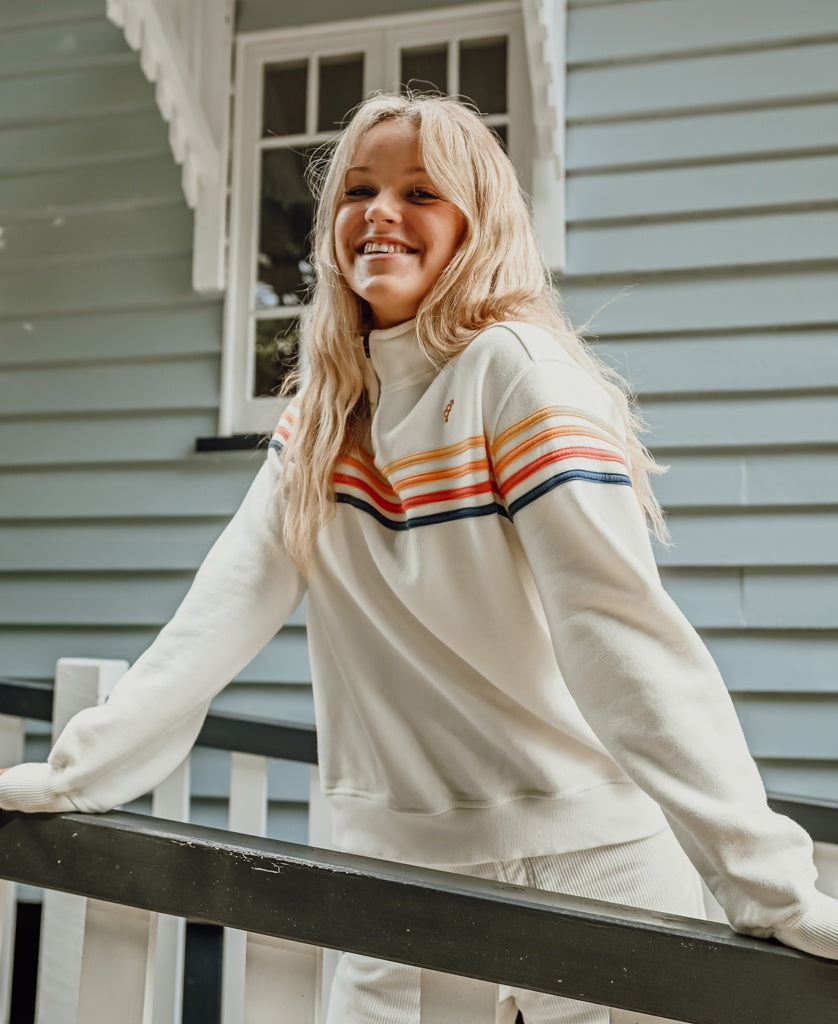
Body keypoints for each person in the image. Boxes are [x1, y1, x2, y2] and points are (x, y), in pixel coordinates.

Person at [1, 93, 837, 1023]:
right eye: (358, 190)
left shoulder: (517, 371)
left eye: (421, 192)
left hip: (588, 861)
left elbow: (617, 630)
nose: (380, 213)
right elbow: (218, 614)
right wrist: (78, 775)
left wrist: (767, 884)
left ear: (477, 226)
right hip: (397, 878)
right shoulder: (323, 418)